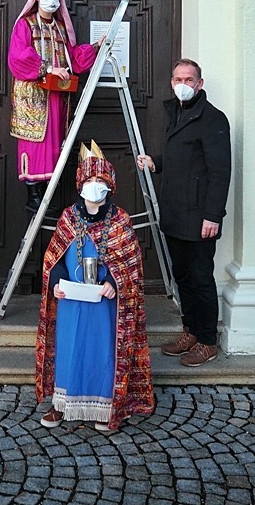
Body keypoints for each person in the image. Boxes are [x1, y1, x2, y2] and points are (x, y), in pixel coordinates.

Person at [36, 141, 154, 433]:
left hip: (104, 302)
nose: (94, 186)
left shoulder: (120, 220)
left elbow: (131, 263)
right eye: (89, 180)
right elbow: (54, 258)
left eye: (100, 181)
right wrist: (55, 284)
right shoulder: (67, 218)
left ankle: (106, 405)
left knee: (102, 351)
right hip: (72, 299)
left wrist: (114, 283)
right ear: (80, 185)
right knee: (70, 348)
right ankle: (62, 404)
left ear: (110, 185)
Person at [137, 59, 231, 367]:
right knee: (183, 276)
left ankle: (207, 341)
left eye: (189, 79)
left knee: (201, 277)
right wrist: (156, 162)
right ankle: (189, 332)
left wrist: (213, 216)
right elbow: (182, 157)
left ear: (199, 84)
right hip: (175, 213)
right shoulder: (176, 113)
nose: (183, 84)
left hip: (200, 216)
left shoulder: (213, 119)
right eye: (178, 78)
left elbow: (220, 171)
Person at [8, 0, 103, 214]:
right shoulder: (25, 24)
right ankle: (33, 195)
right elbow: (18, 57)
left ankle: (47, 194)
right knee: (34, 141)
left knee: (53, 142)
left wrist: (94, 48)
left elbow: (73, 58)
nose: (51, 1)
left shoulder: (61, 28)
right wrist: (48, 68)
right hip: (33, 95)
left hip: (57, 96)